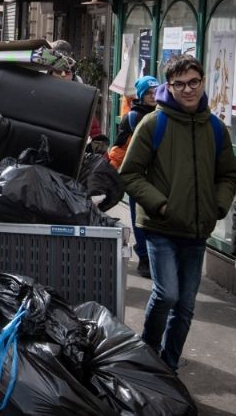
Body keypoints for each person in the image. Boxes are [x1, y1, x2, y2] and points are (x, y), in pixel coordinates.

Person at [120, 55, 236, 371]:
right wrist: (161, 204)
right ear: (170, 87)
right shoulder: (153, 123)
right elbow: (130, 173)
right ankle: (147, 355)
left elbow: (228, 174)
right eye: (180, 84)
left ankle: (167, 367)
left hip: (197, 231)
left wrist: (217, 205)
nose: (188, 89)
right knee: (167, 294)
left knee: (185, 306)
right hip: (160, 227)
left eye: (193, 82)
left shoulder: (215, 127)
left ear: (202, 82)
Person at [109, 75, 160, 278]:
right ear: (140, 95)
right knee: (139, 218)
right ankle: (145, 258)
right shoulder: (134, 117)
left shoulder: (161, 114)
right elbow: (119, 147)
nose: (153, 96)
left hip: (156, 175)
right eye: (148, 92)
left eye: (156, 91)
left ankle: (153, 257)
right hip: (138, 175)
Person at [49, 40, 103, 138]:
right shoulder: (42, 92)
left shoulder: (82, 96)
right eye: (58, 70)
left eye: (67, 71)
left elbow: (95, 133)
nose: (63, 75)